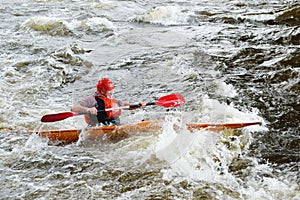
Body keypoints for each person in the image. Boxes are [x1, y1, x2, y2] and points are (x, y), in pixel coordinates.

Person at [71, 78, 146, 126]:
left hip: (114, 125)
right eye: (109, 90)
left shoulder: (111, 99)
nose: (111, 92)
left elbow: (124, 105)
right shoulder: (91, 100)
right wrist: (88, 110)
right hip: (97, 127)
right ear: (102, 91)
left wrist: (137, 105)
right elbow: (74, 108)